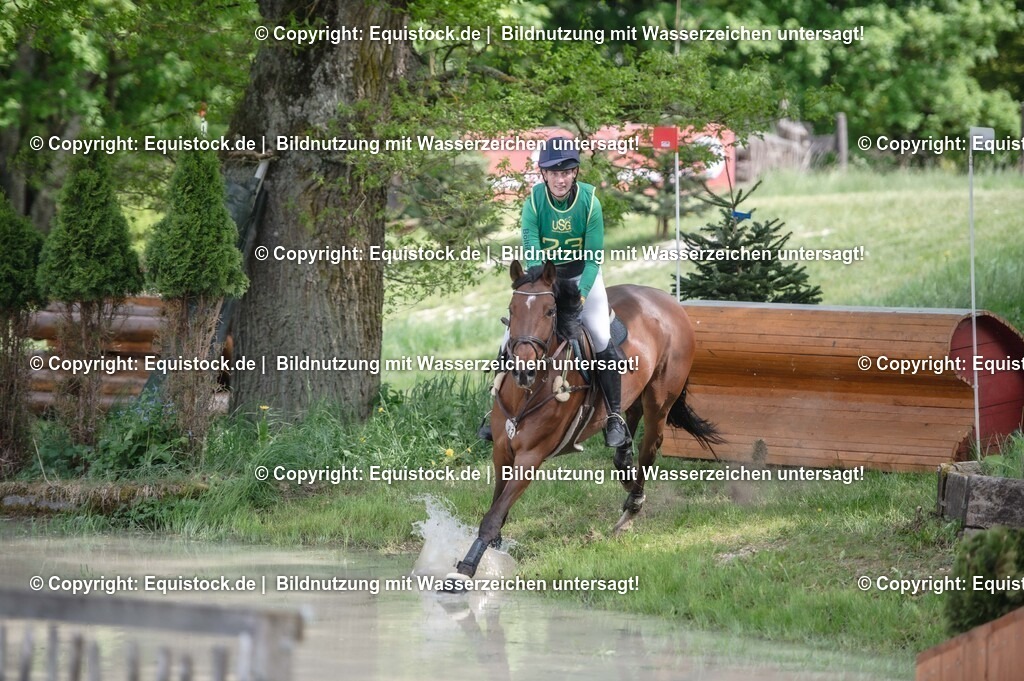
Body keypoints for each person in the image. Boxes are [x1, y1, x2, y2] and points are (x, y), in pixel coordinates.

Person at [478, 136, 630, 448]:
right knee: (509, 338)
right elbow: (532, 252)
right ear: (544, 174)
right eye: (554, 173)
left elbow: (594, 258)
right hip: (545, 278)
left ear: (575, 173)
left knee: (601, 336)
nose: (560, 179)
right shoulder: (533, 203)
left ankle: (615, 416)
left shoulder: (590, 202)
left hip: (582, 275)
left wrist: (580, 297)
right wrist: (544, 290)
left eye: (566, 173)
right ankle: (495, 409)